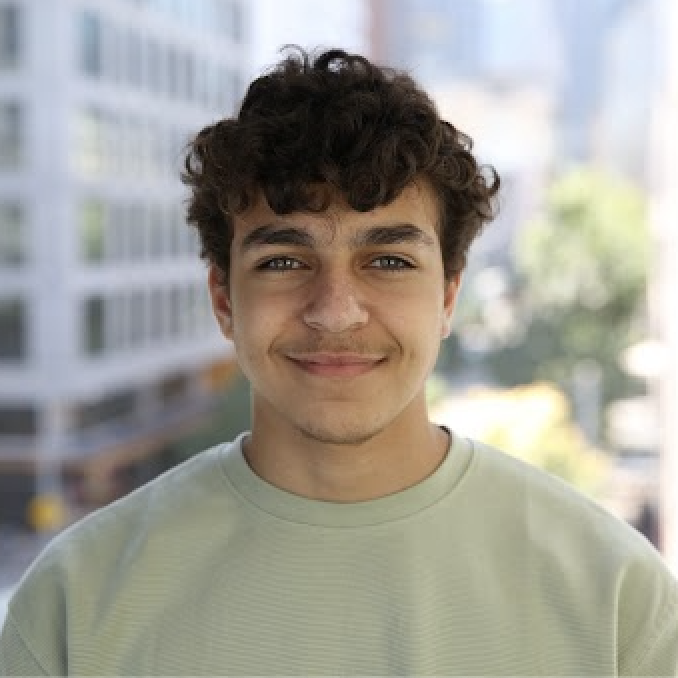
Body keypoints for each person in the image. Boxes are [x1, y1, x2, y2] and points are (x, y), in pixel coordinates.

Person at [1, 46, 677, 677]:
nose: (336, 309)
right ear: (223, 299)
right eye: (284, 261)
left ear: (448, 296)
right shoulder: (73, 606)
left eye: (387, 260)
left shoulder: (617, 600)